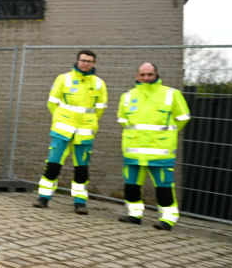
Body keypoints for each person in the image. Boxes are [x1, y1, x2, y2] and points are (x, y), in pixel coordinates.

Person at [117, 63, 191, 230]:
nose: (146, 78)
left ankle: (168, 219)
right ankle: (134, 215)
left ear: (156, 74)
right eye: (143, 74)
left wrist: (165, 135)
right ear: (137, 75)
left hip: (160, 151)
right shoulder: (128, 96)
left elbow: (183, 118)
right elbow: (123, 120)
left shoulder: (172, 94)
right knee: (132, 185)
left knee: (164, 187)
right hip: (133, 150)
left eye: (150, 74)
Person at [33, 50, 107, 214]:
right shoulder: (63, 79)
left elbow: (100, 109)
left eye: (89, 61)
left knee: (82, 169)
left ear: (93, 63)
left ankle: (80, 203)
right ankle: (43, 198)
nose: (85, 63)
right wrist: (62, 119)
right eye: (83, 60)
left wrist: (89, 123)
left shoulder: (99, 84)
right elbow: (52, 103)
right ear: (77, 61)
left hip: (85, 132)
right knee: (53, 164)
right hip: (62, 130)